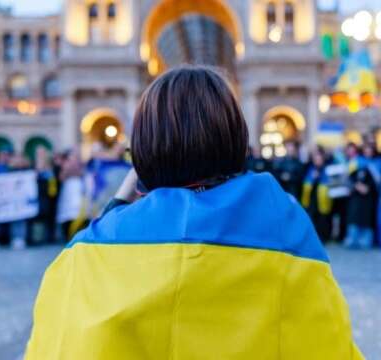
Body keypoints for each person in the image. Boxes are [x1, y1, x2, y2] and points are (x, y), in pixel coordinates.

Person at [26, 66, 363, 359]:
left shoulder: (84, 257)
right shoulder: (287, 234)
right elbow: (329, 345)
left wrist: (112, 210)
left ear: (141, 151)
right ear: (235, 141)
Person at [301, 147, 332, 242]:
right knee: (312, 218)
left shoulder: (327, 169)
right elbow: (305, 183)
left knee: (323, 219)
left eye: (319, 158)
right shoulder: (310, 169)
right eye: (315, 158)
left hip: (324, 199)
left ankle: (324, 237)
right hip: (311, 199)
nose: (317, 160)